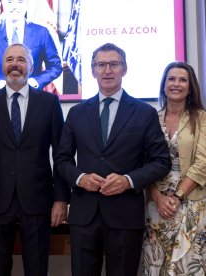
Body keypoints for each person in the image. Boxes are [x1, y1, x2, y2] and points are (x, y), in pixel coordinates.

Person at [54, 43, 171, 276]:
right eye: (101, 64)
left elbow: (161, 161)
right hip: (84, 214)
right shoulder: (77, 113)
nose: (107, 70)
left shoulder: (143, 112)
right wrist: (80, 178)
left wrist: (128, 180)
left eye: (114, 64)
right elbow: (61, 160)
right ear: (92, 70)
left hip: (125, 213)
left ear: (124, 69)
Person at [0, 43, 69, 276]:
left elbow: (61, 154)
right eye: (9, 60)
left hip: (38, 200)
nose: (14, 65)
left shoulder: (49, 103)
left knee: (36, 268)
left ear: (31, 66)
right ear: (1, 65)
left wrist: (60, 199)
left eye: (21, 59)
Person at [143, 62, 206, 275]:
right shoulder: (150, 118)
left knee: (189, 265)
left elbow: (204, 163)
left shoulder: (205, 119)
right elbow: (143, 162)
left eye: (182, 79)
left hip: (192, 199)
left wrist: (176, 197)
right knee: (156, 263)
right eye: (171, 79)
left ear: (190, 86)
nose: (176, 84)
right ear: (164, 85)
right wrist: (157, 196)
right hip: (156, 202)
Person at [0, 0, 62, 94]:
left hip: (33, 98)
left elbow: (56, 66)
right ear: (3, 4)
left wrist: (35, 82)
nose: (14, 6)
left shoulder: (41, 33)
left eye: (20, 2)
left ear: (27, 4)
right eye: (10, 2)